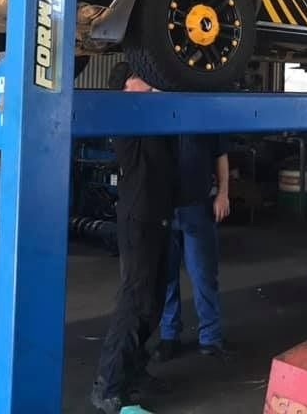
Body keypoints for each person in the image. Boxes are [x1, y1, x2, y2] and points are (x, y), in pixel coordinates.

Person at [87, 62, 175, 414]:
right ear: (125, 87)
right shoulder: (127, 118)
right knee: (133, 300)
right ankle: (107, 386)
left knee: (153, 300)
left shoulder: (147, 113)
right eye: (142, 81)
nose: (150, 85)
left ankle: (134, 371)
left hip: (160, 216)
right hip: (139, 218)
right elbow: (158, 104)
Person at [153, 133, 231, 361]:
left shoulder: (202, 112)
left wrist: (223, 194)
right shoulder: (156, 111)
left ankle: (211, 337)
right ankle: (169, 336)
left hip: (198, 207)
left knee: (204, 275)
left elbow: (220, 154)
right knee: (166, 277)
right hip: (162, 209)